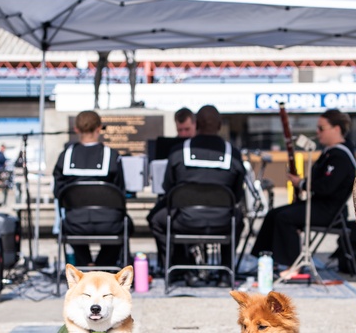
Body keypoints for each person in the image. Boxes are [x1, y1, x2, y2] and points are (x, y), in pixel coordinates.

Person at [251, 109, 356, 276]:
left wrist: (301, 183)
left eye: (321, 128)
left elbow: (326, 187)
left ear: (336, 129)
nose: (317, 132)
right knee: (273, 214)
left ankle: (293, 266)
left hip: (329, 211)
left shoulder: (341, 156)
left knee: (284, 218)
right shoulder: (332, 152)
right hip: (319, 205)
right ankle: (266, 259)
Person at [149, 105, 246, 287]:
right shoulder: (233, 153)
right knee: (237, 218)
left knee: (156, 219)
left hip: (185, 220)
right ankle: (226, 273)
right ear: (219, 125)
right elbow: (237, 195)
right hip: (222, 222)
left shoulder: (179, 151)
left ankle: (183, 269)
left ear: (197, 124)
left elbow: (167, 188)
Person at [53, 110, 133, 267]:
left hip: (75, 223)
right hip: (109, 223)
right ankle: (103, 265)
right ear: (99, 128)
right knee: (126, 224)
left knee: (67, 224)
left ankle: (86, 264)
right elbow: (120, 191)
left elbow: (58, 192)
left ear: (76, 129)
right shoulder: (111, 155)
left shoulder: (65, 157)